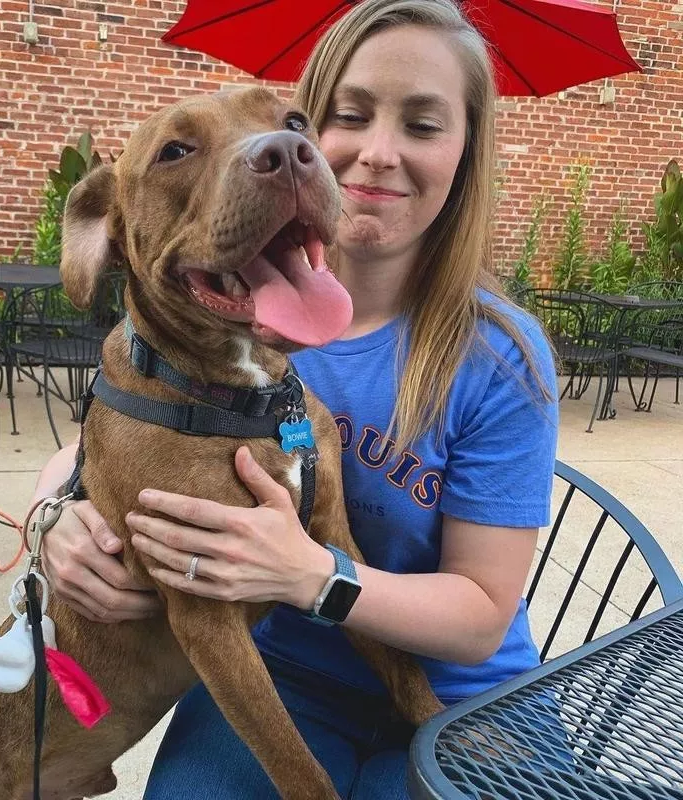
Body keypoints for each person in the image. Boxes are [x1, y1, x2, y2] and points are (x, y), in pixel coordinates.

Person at [31, 0, 559, 797]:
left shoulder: (501, 358)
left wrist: (310, 574)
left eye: (422, 124)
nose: (378, 152)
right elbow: (123, 440)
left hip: (461, 692)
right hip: (286, 676)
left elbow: (482, 615)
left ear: (466, 152)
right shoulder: (217, 320)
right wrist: (52, 512)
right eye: (345, 115)